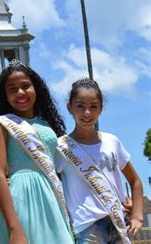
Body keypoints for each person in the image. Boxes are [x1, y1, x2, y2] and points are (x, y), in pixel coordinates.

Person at [0, 59, 73, 244]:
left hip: (51, 194)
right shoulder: (1, 123)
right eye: (12, 89)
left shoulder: (46, 123)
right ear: (5, 95)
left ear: (36, 88)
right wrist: (14, 228)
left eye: (25, 86)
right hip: (21, 196)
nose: (20, 93)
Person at [55, 78, 143, 244]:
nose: (87, 113)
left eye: (93, 106)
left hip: (118, 222)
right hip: (87, 227)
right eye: (80, 106)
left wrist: (138, 215)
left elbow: (135, 181)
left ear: (101, 109)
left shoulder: (112, 141)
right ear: (69, 107)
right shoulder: (61, 147)